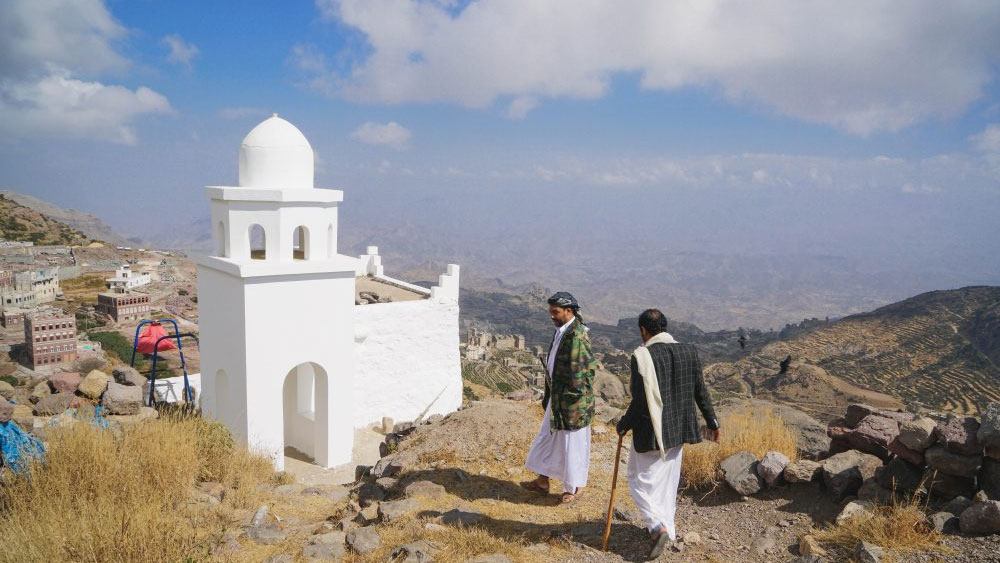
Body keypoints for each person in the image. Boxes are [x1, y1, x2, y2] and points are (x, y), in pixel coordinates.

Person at [616, 309, 720, 559]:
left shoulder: (642, 356)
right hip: (679, 429)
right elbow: (700, 391)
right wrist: (712, 422)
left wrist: (624, 424)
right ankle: (668, 528)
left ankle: (656, 527)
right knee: (667, 481)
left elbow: (640, 401)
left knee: (637, 479)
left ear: (643, 330)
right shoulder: (689, 351)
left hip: (651, 431)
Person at [520, 291, 597, 504]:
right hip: (558, 398)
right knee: (548, 437)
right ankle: (542, 481)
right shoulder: (563, 331)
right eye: (551, 311)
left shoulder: (577, 335)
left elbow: (583, 374)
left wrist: (570, 400)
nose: (551, 316)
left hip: (572, 404)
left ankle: (574, 488)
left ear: (568, 311)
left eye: (555, 312)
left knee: (572, 444)